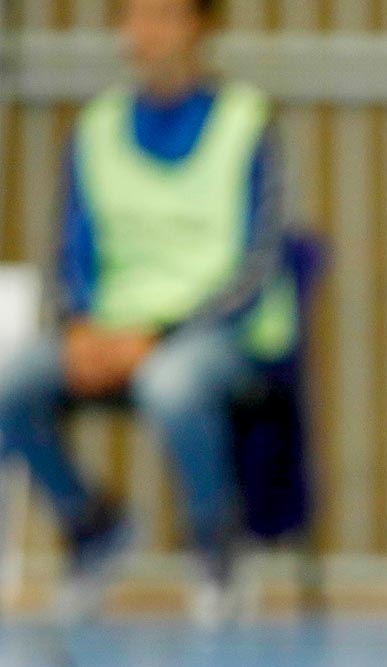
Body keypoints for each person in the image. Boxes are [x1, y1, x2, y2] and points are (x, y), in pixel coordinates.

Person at [0, 0, 291, 624]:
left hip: (217, 335)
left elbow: (258, 259)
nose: (144, 31)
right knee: (13, 380)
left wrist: (158, 336)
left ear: (199, 26)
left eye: (162, 15)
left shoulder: (246, 120)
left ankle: (217, 551)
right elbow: (71, 244)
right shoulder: (97, 126)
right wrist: (81, 327)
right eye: (132, 16)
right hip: (108, 329)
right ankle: (92, 526)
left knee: (174, 383)